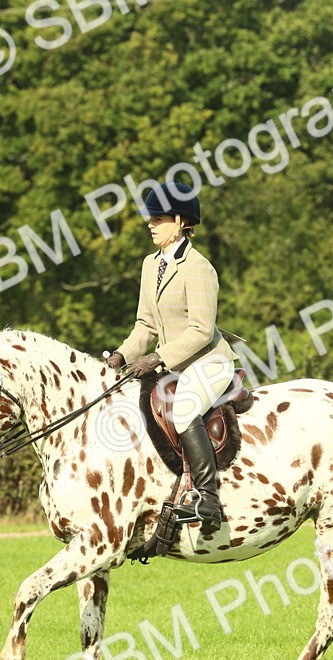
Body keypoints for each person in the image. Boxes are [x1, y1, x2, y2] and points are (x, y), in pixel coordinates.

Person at [106, 182, 242, 534]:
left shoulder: (198, 267)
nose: (150, 224)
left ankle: (207, 499)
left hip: (208, 362)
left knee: (183, 408)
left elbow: (200, 329)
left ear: (180, 221)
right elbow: (145, 324)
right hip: (174, 365)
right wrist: (122, 355)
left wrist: (155, 360)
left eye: (158, 219)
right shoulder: (151, 265)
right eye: (149, 219)